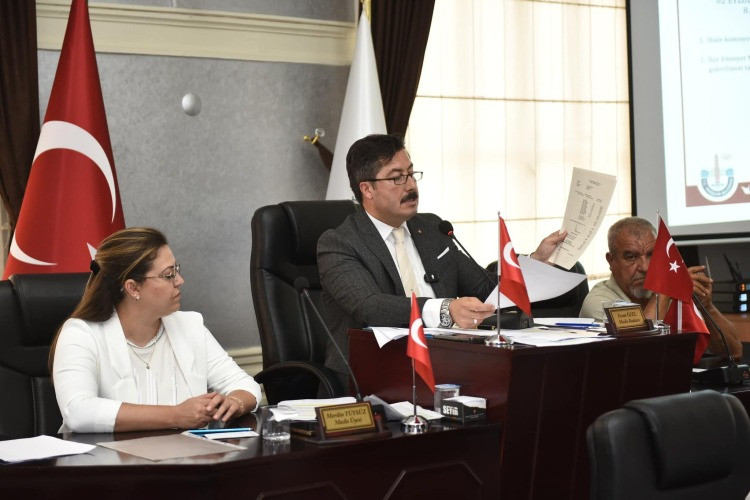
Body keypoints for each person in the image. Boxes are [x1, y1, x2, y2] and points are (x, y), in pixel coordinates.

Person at [317, 133, 567, 389]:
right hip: (371, 373)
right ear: (367, 189)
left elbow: (485, 289)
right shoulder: (339, 243)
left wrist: (535, 262)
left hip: (445, 364)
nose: (410, 186)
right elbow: (370, 306)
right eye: (397, 177)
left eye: (411, 173)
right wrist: (447, 310)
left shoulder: (432, 229)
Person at [50, 227, 261, 433]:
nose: (180, 281)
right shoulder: (81, 334)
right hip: (111, 455)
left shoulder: (189, 326)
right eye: (169, 275)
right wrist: (176, 415)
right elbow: (78, 411)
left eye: (177, 270)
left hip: (189, 454)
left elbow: (244, 384)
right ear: (133, 288)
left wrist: (235, 402)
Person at [579, 216, 742, 359]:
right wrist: (666, 289)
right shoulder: (599, 302)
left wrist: (706, 307)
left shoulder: (666, 290)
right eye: (631, 257)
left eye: (651, 255)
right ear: (611, 260)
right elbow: (637, 355)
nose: (645, 267)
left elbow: (734, 352)